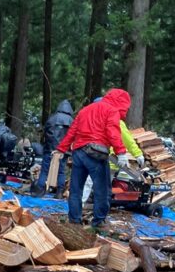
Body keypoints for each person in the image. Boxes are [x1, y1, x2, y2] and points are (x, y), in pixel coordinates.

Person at [56, 88, 131, 227]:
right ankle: (98, 223)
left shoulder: (85, 109)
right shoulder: (111, 110)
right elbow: (112, 131)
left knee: (76, 189)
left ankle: (74, 222)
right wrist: (120, 152)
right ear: (122, 103)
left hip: (78, 152)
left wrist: (61, 148)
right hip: (96, 154)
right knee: (102, 191)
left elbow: (72, 131)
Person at [81, 117, 145, 203]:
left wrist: (137, 154)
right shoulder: (112, 120)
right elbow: (128, 140)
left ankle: (84, 204)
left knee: (90, 182)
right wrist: (137, 154)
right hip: (105, 158)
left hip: (103, 157)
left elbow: (127, 140)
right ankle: (94, 205)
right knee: (98, 184)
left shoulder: (100, 120)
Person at [32, 99, 74, 195]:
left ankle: (39, 190)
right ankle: (59, 192)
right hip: (64, 150)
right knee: (61, 171)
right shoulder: (71, 121)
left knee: (44, 170)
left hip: (49, 149)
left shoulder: (52, 118)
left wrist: (47, 145)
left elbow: (46, 133)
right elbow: (73, 136)